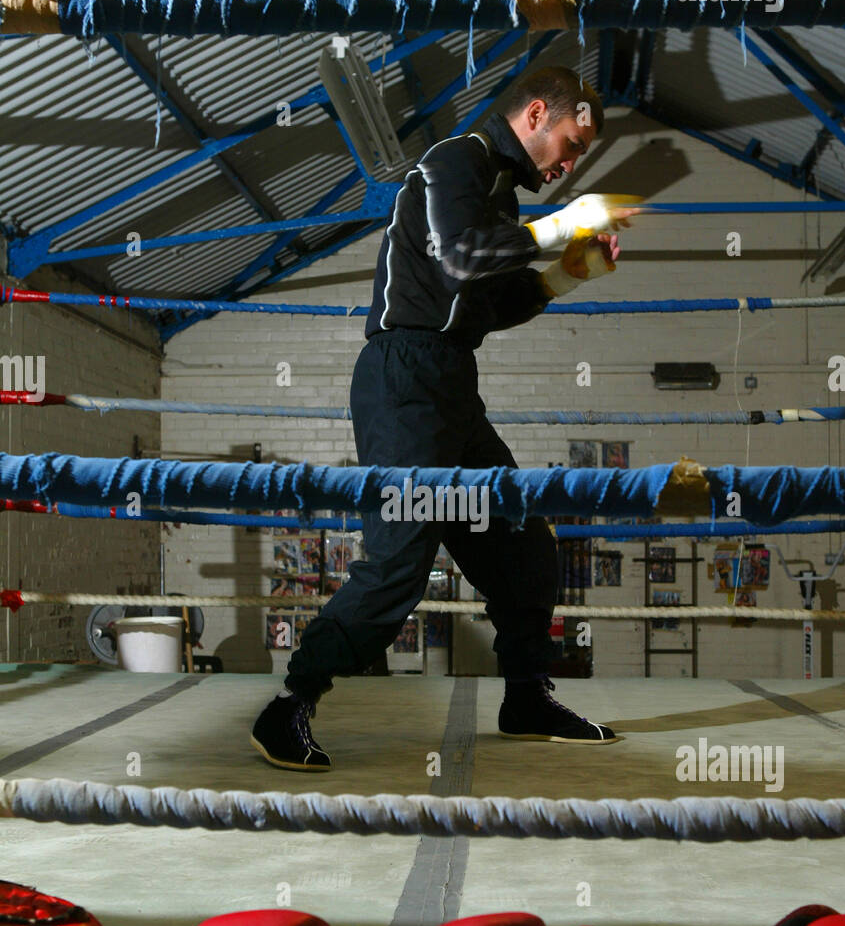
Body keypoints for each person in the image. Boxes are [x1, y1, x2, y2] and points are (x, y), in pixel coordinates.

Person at [252, 64, 634, 771]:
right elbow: (460, 258)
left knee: (524, 549)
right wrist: (567, 222)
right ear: (536, 115)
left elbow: (492, 301)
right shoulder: (453, 160)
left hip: (453, 382)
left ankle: (525, 696)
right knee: (399, 563)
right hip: (404, 379)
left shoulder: (497, 199)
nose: (571, 162)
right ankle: (289, 706)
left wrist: (567, 271)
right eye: (571, 144)